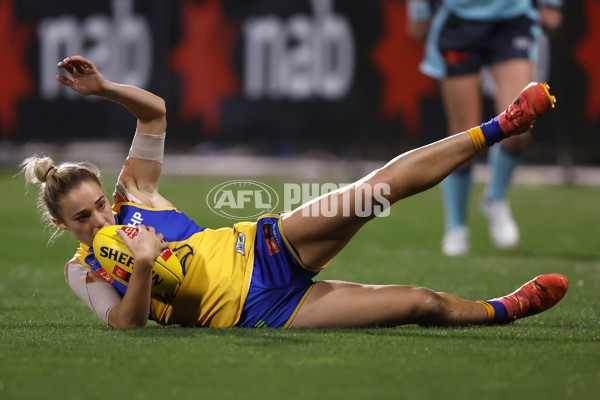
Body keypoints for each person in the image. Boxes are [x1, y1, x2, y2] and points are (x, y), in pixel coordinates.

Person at [22, 55, 567, 329]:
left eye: (96, 205)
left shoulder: (131, 194)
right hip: (262, 311)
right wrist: (141, 267)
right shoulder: (83, 269)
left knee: (372, 192)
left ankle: (503, 124)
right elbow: (126, 325)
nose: (97, 218)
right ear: (62, 226)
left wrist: (103, 89)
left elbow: (156, 112)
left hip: (261, 247)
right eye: (82, 218)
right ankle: (505, 309)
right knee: (421, 303)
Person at [406, 0, 563, 256]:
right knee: (464, 137)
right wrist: (419, 10)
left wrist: (551, 4)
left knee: (520, 125)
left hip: (512, 19)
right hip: (458, 21)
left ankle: (495, 199)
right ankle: (456, 227)